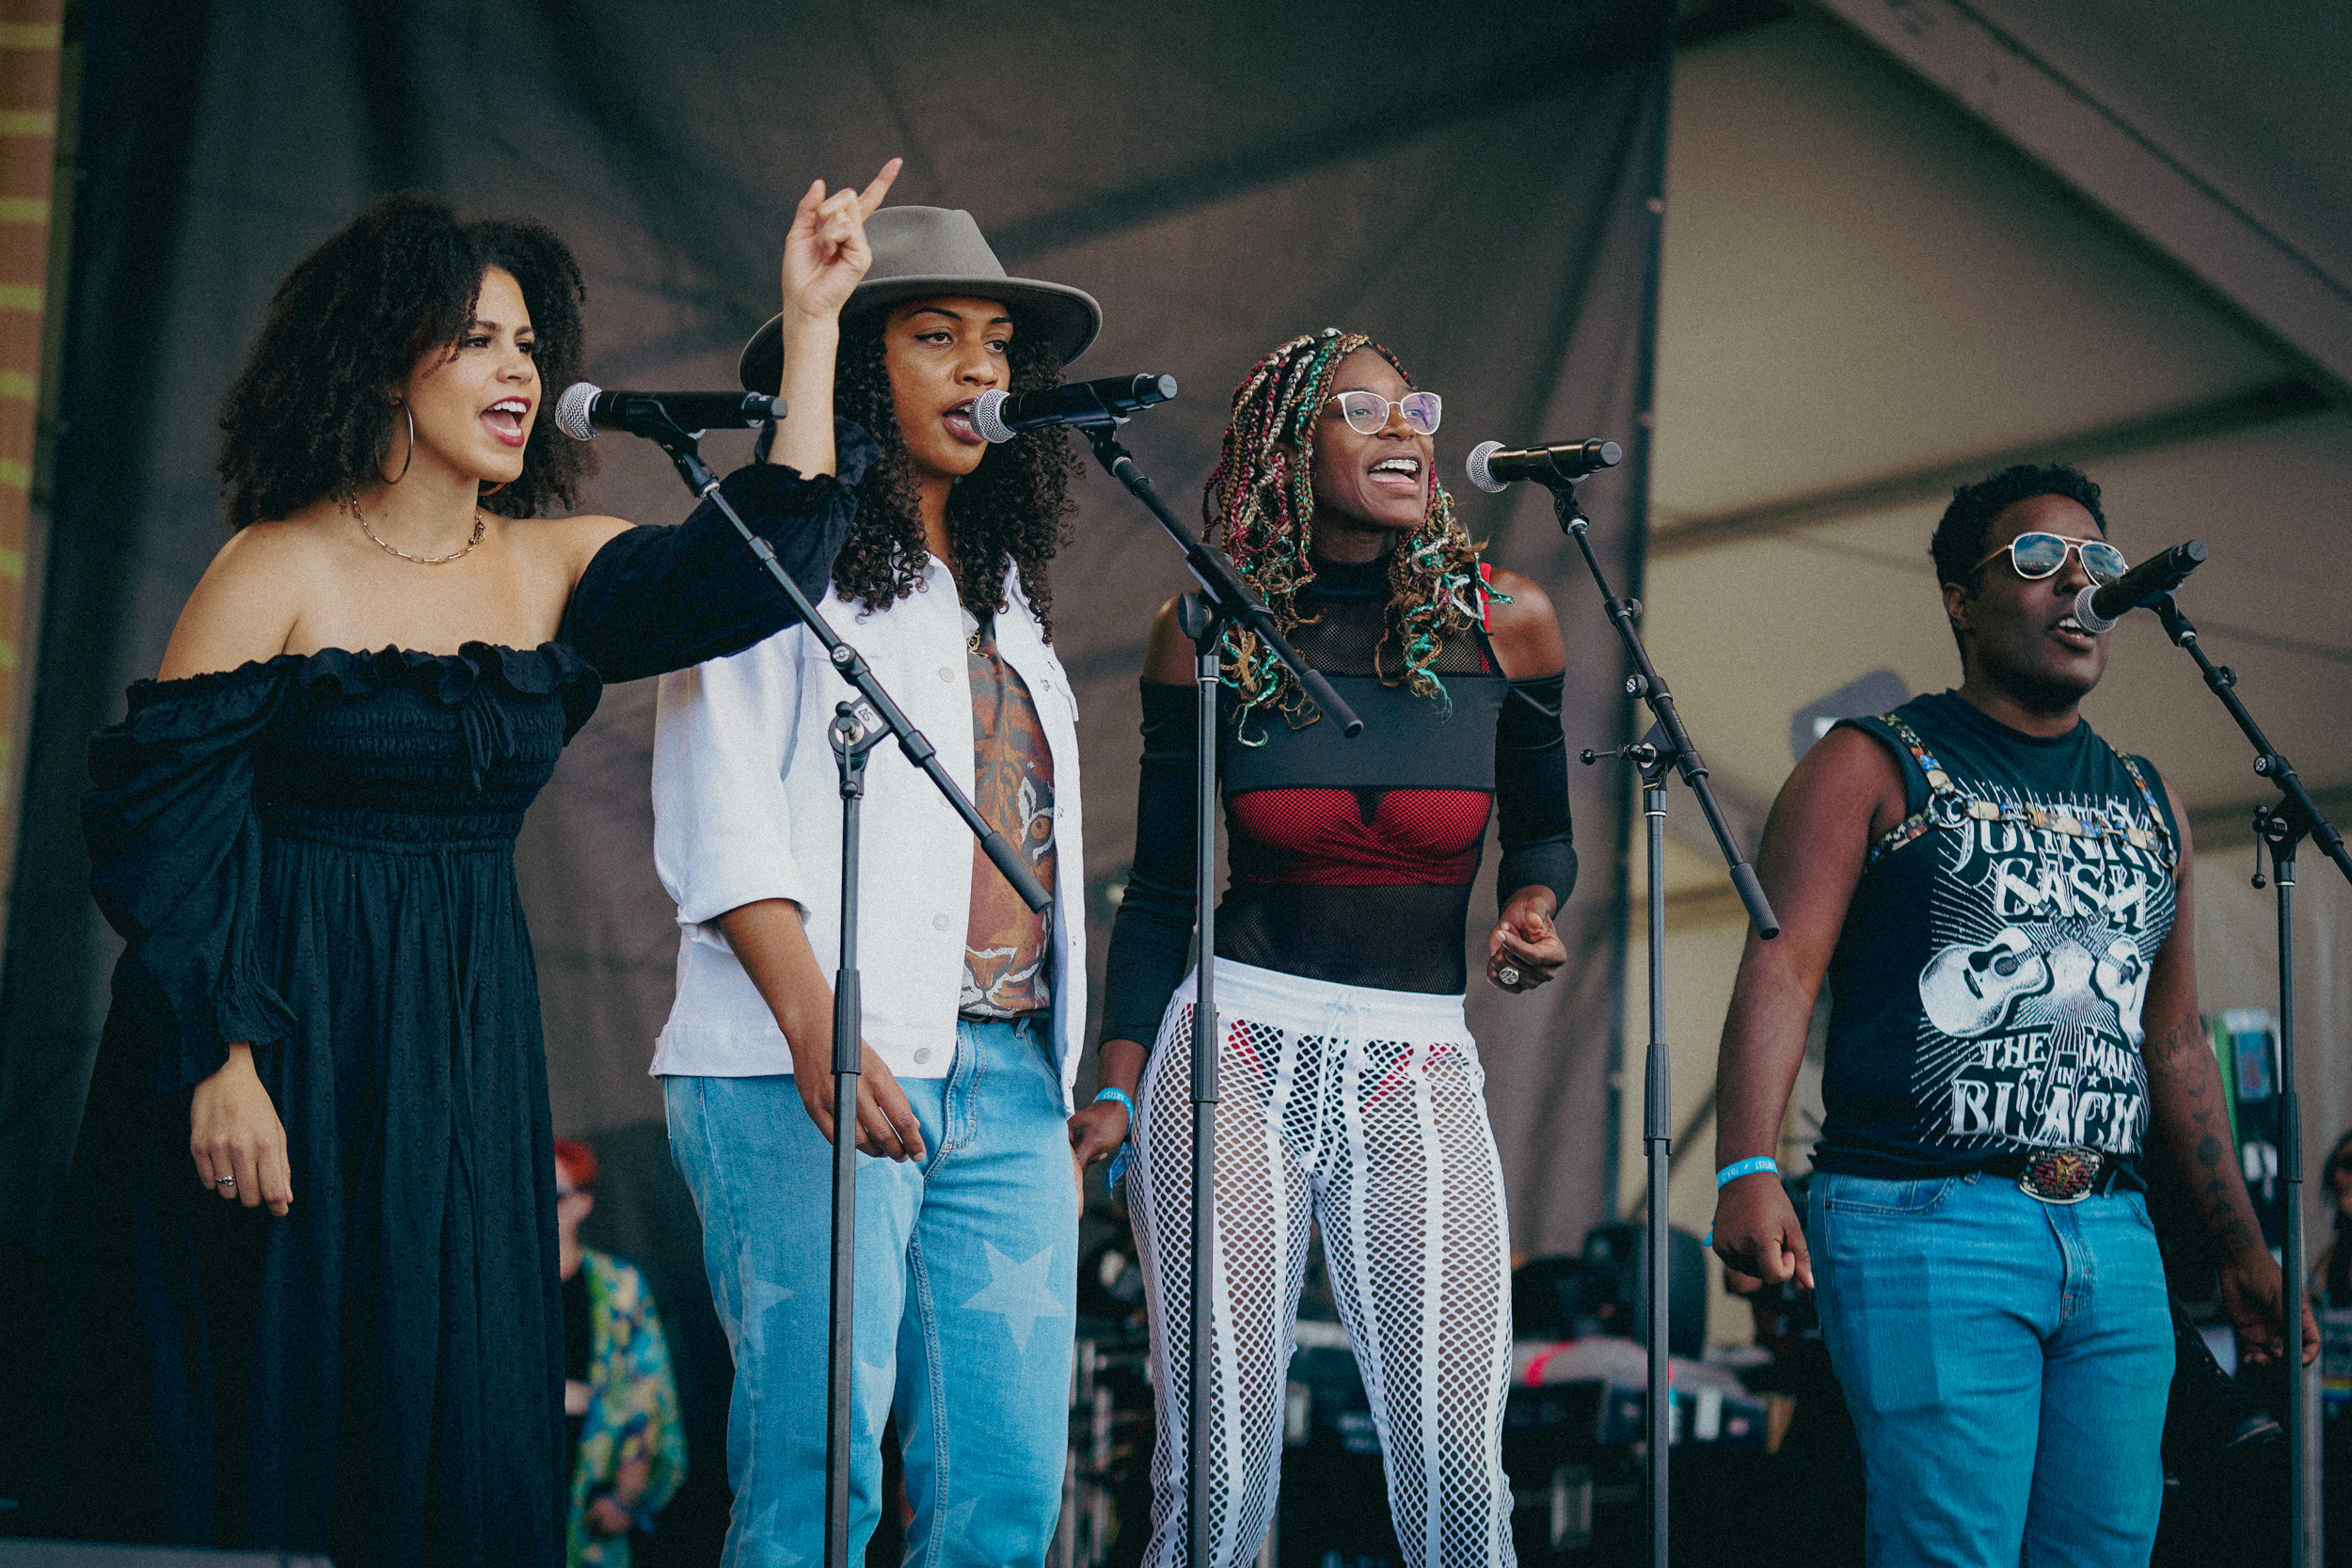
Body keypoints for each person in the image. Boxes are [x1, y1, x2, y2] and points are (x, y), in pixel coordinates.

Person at [64, 162, 898, 1568]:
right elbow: (168, 834)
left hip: (456, 1036)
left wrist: (812, 327)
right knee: (278, 1379)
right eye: (480, 340)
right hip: (277, 1018)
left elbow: (768, 565)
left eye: (531, 345)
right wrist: (224, 1057)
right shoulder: (276, 567)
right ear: (386, 359)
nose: (521, 371)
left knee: (444, 1378)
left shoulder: (557, 561)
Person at [1708, 463, 2315, 1567]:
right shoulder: (1872, 760)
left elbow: (2171, 1036)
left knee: (2106, 1550)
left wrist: (2241, 1243)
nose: (2075, 585)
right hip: (1924, 1216)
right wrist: (1743, 1164)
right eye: (2037, 560)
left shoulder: (2148, 797)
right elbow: (1782, 964)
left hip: (2113, 1230)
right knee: (1953, 1551)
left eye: (2099, 564)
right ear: (1958, 595)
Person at [1069, 328, 1579, 1566]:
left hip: (1414, 1058)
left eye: (1417, 408)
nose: (1406, 429)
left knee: (1461, 1467)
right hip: (1230, 1046)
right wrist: (1115, 1086)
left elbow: (1546, 833)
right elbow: (1160, 897)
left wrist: (1531, 906)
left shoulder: (1508, 621)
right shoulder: (1201, 629)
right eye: (1364, 410)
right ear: (1290, 448)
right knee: (1222, 1469)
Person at [651, 202, 1099, 1565]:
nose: (982, 371)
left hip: (1008, 1075)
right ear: (853, 366)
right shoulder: (762, 554)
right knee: (815, 1486)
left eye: (1000, 346)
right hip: (813, 1061)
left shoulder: (1007, 589)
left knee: (1006, 1495)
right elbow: (721, 817)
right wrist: (819, 1030)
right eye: (935, 335)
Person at [553, 1139, 687, 1568]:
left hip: (594, 1495)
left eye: (553, 1194)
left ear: (582, 1203)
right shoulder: (492, 1285)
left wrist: (625, 1497)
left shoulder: (618, 1285)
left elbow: (646, 1393)